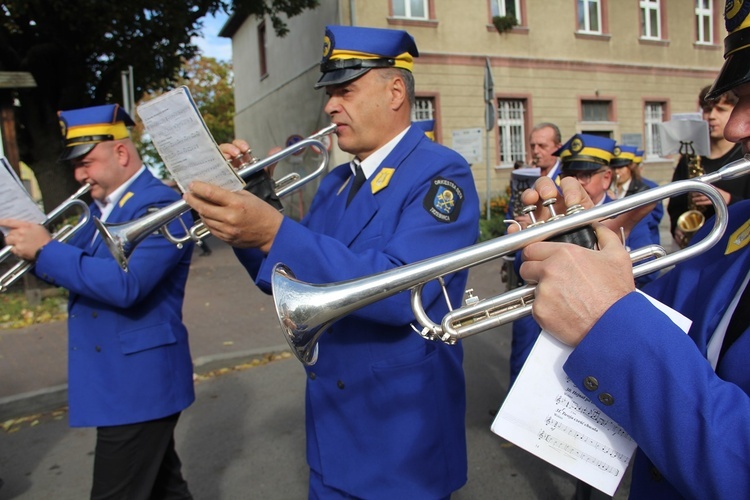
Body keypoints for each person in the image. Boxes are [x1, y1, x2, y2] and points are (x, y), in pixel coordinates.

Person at [185, 25, 480, 498]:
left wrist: (272, 230)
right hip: (331, 431)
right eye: (330, 93)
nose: (329, 105)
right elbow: (291, 283)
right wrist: (246, 205)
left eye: (345, 90)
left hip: (400, 439)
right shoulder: (338, 181)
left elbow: (402, 293)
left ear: (396, 92)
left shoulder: (440, 173)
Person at [516, 2, 750, 495]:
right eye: (740, 99)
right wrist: (573, 248)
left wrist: (609, 321)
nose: (734, 128)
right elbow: (660, 316)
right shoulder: (739, 228)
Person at [0, 104, 195, 499]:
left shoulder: (159, 205)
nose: (78, 175)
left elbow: (128, 284)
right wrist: (27, 246)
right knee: (164, 490)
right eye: (75, 166)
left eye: (86, 163)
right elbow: (68, 269)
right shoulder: (94, 210)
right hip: (118, 380)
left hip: (139, 384)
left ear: (121, 154)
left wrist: (46, 251)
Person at [667, 83, 749, 246]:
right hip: (698, 242)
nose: (711, 116)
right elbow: (676, 202)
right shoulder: (690, 157)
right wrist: (678, 225)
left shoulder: (746, 156)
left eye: (720, 110)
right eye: (706, 110)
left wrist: (727, 199)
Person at [610, 144, 663, 286]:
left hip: (642, 238)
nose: (616, 172)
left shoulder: (645, 188)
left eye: (620, 168)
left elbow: (655, 217)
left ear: (630, 168)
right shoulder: (611, 188)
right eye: (613, 168)